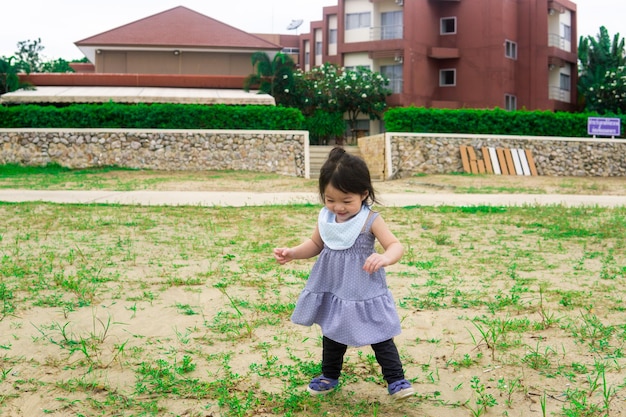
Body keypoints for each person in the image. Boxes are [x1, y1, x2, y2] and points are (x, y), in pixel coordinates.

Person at [273, 147, 414, 400]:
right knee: (332, 332)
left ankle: (396, 379)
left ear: (364, 194)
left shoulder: (370, 220)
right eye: (330, 199)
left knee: (381, 334)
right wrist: (293, 252)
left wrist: (384, 257)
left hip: (364, 289)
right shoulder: (325, 219)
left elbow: (395, 245)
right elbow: (315, 245)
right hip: (334, 288)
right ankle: (329, 375)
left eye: (346, 201)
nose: (338, 207)